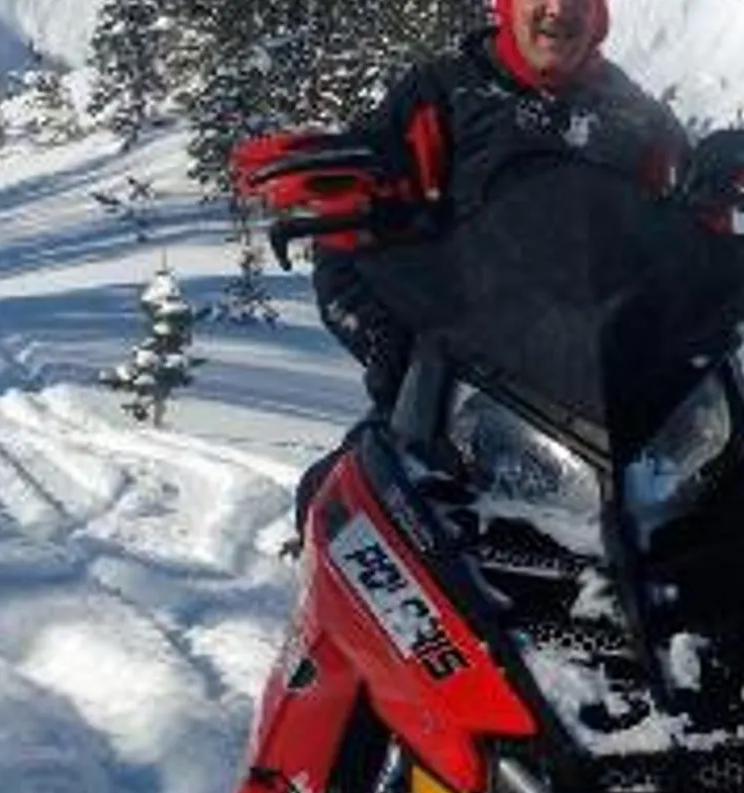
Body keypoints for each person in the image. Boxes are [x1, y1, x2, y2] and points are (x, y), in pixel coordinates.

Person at [291, 0, 691, 535]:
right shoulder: (440, 97)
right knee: (341, 516)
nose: (558, 10)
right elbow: (346, 228)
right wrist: (398, 357)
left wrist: (735, 183)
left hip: (606, 407)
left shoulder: (637, 119)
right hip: (461, 398)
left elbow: (692, 240)